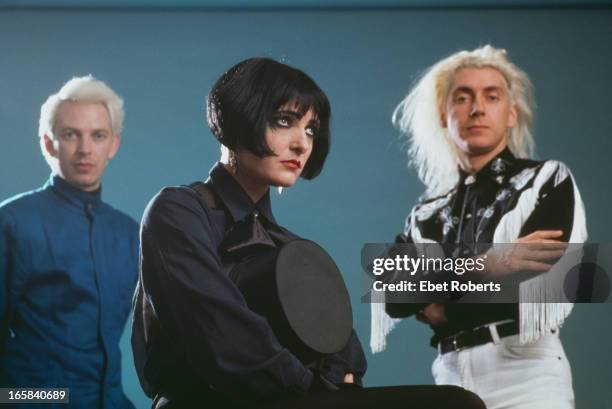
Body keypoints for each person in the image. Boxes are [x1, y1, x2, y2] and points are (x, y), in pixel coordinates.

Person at [132, 58, 485, 409]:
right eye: (284, 122)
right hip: (201, 403)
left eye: (311, 129)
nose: (302, 144)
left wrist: (326, 385)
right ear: (238, 119)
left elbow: (347, 357)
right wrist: (312, 386)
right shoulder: (177, 211)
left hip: (292, 400)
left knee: (458, 403)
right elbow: (219, 333)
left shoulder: (289, 246)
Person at [371, 45, 587, 409]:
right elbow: (391, 293)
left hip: (527, 370)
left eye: (492, 96)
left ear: (511, 114)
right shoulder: (425, 213)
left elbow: (532, 286)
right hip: (450, 375)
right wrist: (492, 263)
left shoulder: (547, 180)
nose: (477, 108)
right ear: (444, 115)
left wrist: (444, 308)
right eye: (462, 97)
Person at [0, 76, 138, 408]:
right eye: (70, 134)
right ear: (49, 143)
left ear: (113, 145)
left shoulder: (129, 233)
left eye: (98, 135)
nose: (85, 149)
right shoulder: (12, 222)